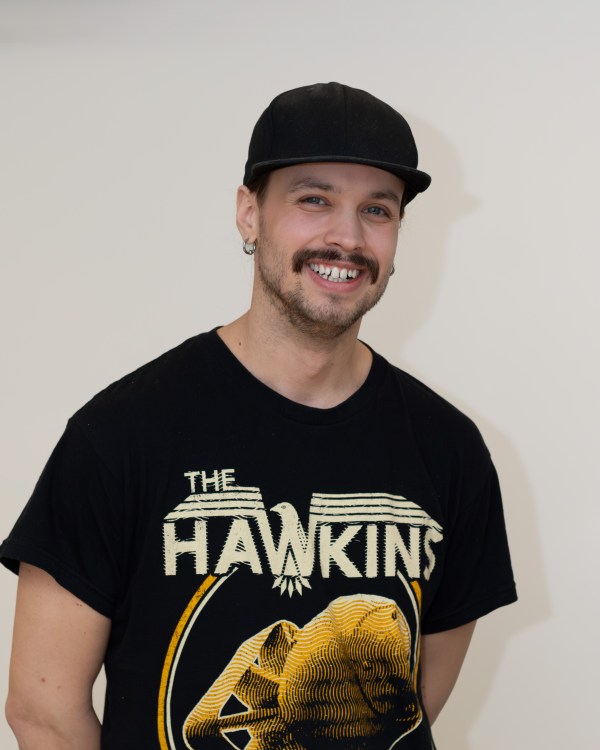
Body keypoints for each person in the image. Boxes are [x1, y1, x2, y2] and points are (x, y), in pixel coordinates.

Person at [1, 82, 517, 750]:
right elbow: (43, 711)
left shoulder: (449, 448)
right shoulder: (120, 436)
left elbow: (412, 704)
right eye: (313, 200)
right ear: (249, 214)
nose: (347, 237)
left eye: (377, 209)